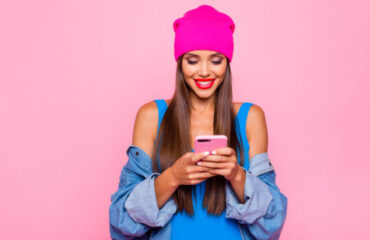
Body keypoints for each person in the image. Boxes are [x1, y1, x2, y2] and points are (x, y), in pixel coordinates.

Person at [109, 4, 288, 240]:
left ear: (227, 64)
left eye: (216, 61)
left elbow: (272, 221)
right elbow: (121, 222)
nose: (204, 71)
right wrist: (173, 177)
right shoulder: (152, 116)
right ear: (180, 64)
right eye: (192, 61)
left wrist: (235, 174)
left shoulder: (249, 118)